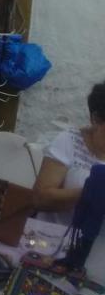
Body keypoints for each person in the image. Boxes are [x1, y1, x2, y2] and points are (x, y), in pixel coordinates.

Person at [35, 81, 105, 223]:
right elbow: (39, 198)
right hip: (53, 237)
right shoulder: (69, 141)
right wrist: (91, 191)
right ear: (95, 119)